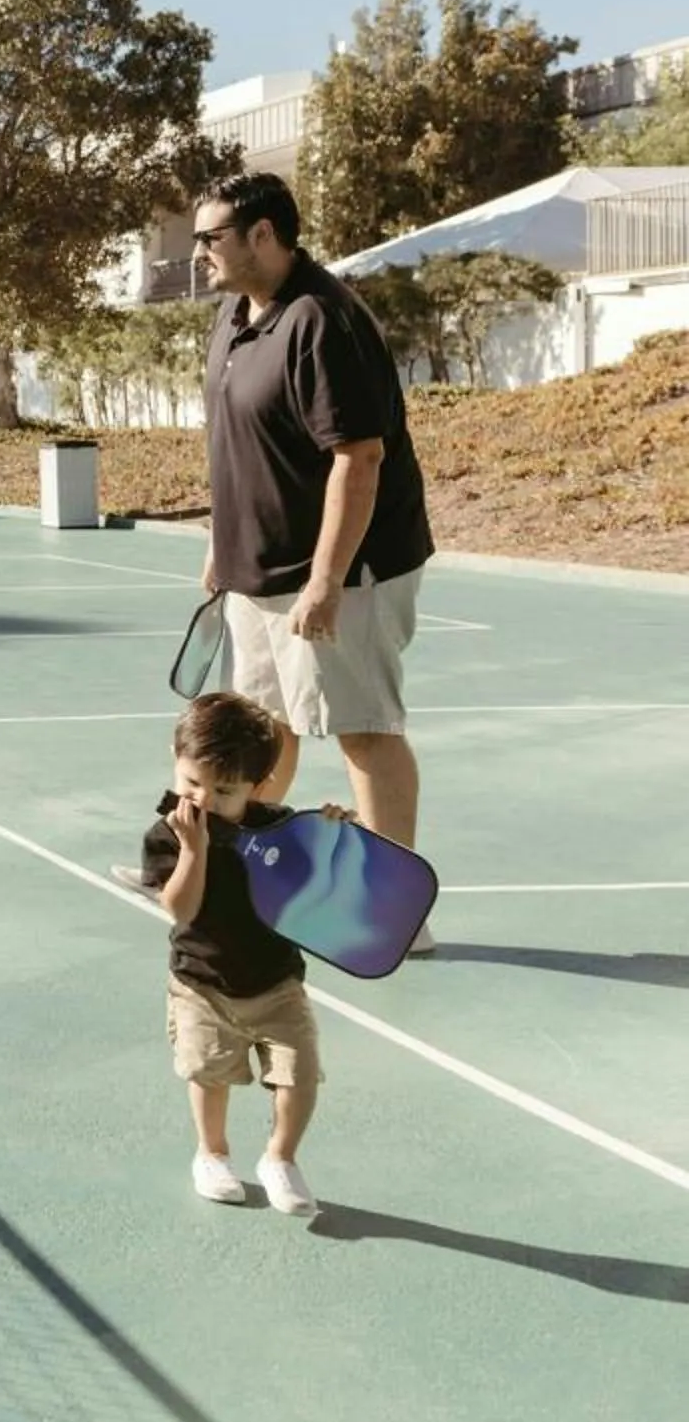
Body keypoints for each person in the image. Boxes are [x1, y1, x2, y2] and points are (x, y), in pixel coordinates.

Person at [166, 169, 439, 953]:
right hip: (257, 570)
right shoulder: (236, 318)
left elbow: (358, 459)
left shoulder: (323, 320)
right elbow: (237, 443)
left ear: (264, 235)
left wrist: (324, 581)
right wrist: (223, 544)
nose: (199, 254)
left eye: (211, 237)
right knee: (262, 731)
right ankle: (232, 875)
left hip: (344, 573)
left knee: (361, 729)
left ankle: (395, 913)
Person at [144, 692, 352, 1218]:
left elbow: (319, 890)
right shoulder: (168, 835)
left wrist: (331, 840)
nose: (204, 800)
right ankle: (212, 1154)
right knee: (210, 1074)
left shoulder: (279, 830)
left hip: (277, 985)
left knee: (300, 1076)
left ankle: (280, 1159)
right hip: (202, 985)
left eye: (224, 790)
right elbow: (182, 910)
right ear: (175, 759)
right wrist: (195, 851)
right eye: (192, 782)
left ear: (258, 788)